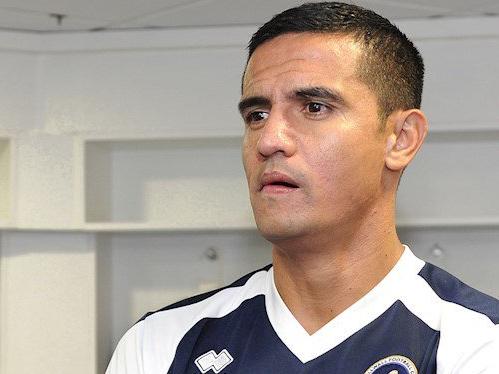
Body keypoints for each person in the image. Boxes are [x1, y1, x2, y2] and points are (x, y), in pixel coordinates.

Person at [106, 2, 499, 373]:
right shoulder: (162, 343)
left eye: (314, 107)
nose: (269, 139)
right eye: (257, 114)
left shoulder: (476, 343)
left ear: (400, 138)